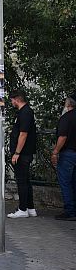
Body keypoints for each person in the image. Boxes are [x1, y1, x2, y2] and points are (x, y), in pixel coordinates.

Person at [7, 90, 38, 218]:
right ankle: (30, 208)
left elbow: (23, 134)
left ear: (17, 99)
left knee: (21, 181)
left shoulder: (25, 112)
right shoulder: (25, 112)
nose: (11, 102)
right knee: (26, 180)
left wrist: (17, 153)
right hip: (25, 153)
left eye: (12, 100)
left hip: (23, 153)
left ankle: (22, 209)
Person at [51, 92, 76, 220]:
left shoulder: (66, 118)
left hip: (68, 154)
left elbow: (62, 137)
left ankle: (70, 211)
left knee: (66, 183)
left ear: (69, 103)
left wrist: (55, 152)